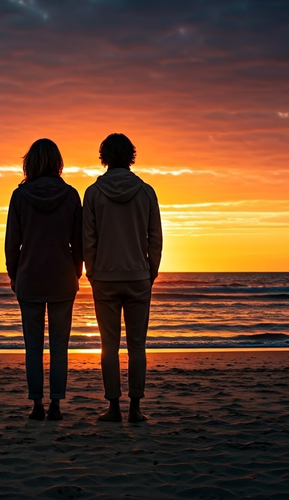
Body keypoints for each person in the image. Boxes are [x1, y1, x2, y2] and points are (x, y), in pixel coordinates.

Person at [83, 133, 162, 423]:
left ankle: (114, 408)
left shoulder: (93, 193)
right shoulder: (145, 191)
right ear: (130, 156)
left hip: (104, 276)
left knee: (109, 345)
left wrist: (91, 271)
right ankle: (136, 409)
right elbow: (155, 238)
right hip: (138, 275)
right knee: (137, 345)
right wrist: (150, 270)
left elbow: (88, 239)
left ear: (104, 157)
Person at [5, 138, 83, 421]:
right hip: (62, 276)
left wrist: (14, 274)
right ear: (57, 162)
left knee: (33, 347)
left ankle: (37, 405)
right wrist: (76, 271)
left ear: (30, 162)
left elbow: (12, 242)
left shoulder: (19, 196)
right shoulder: (72, 195)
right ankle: (56, 405)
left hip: (30, 276)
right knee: (59, 348)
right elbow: (79, 242)